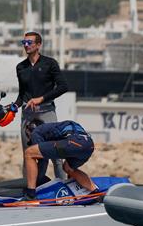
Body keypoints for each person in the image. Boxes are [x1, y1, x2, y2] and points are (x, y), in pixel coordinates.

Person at [14, 31, 69, 180]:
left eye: (29, 42)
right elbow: (22, 94)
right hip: (28, 114)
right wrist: (13, 107)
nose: (26, 45)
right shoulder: (21, 67)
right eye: (24, 42)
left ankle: (63, 187)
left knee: (56, 153)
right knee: (28, 153)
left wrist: (41, 99)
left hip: (47, 111)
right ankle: (31, 189)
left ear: (38, 45)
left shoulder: (50, 63)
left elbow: (63, 86)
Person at [22, 118, 101, 202]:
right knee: (68, 168)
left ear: (30, 129)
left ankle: (30, 194)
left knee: (29, 153)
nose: (29, 139)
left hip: (73, 142)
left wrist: (38, 183)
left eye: (28, 135)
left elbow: (43, 161)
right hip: (89, 145)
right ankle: (94, 192)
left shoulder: (36, 131)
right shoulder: (58, 126)